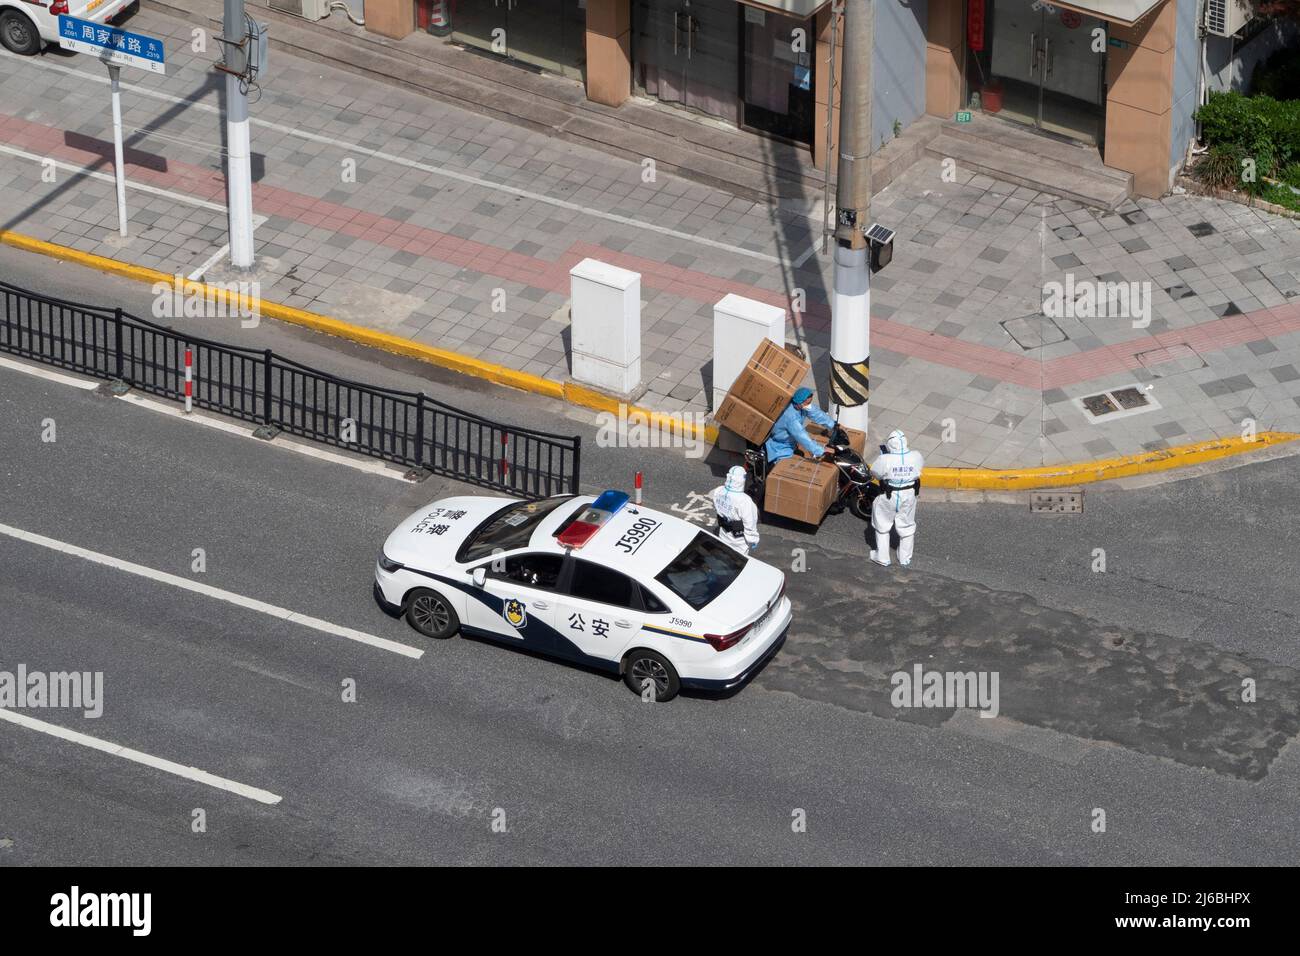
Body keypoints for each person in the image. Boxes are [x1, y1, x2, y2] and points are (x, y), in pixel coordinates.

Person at [868, 429, 924, 568]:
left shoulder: (885, 459)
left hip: (889, 494)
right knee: (907, 525)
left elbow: (875, 473)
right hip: (909, 494)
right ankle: (905, 557)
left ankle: (882, 557)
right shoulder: (916, 456)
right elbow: (919, 469)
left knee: (882, 523)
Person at [764, 387, 838, 468]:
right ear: (799, 402)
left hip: (791, 442)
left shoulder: (801, 406)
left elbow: (816, 413)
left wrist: (833, 425)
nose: (809, 405)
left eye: (810, 402)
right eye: (807, 403)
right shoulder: (791, 418)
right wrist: (821, 451)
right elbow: (802, 436)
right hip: (780, 447)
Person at [710, 466, 760, 554]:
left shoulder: (718, 491)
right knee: (737, 561)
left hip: (723, 534)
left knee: (723, 554)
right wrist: (753, 539)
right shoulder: (744, 501)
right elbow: (750, 523)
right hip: (739, 541)